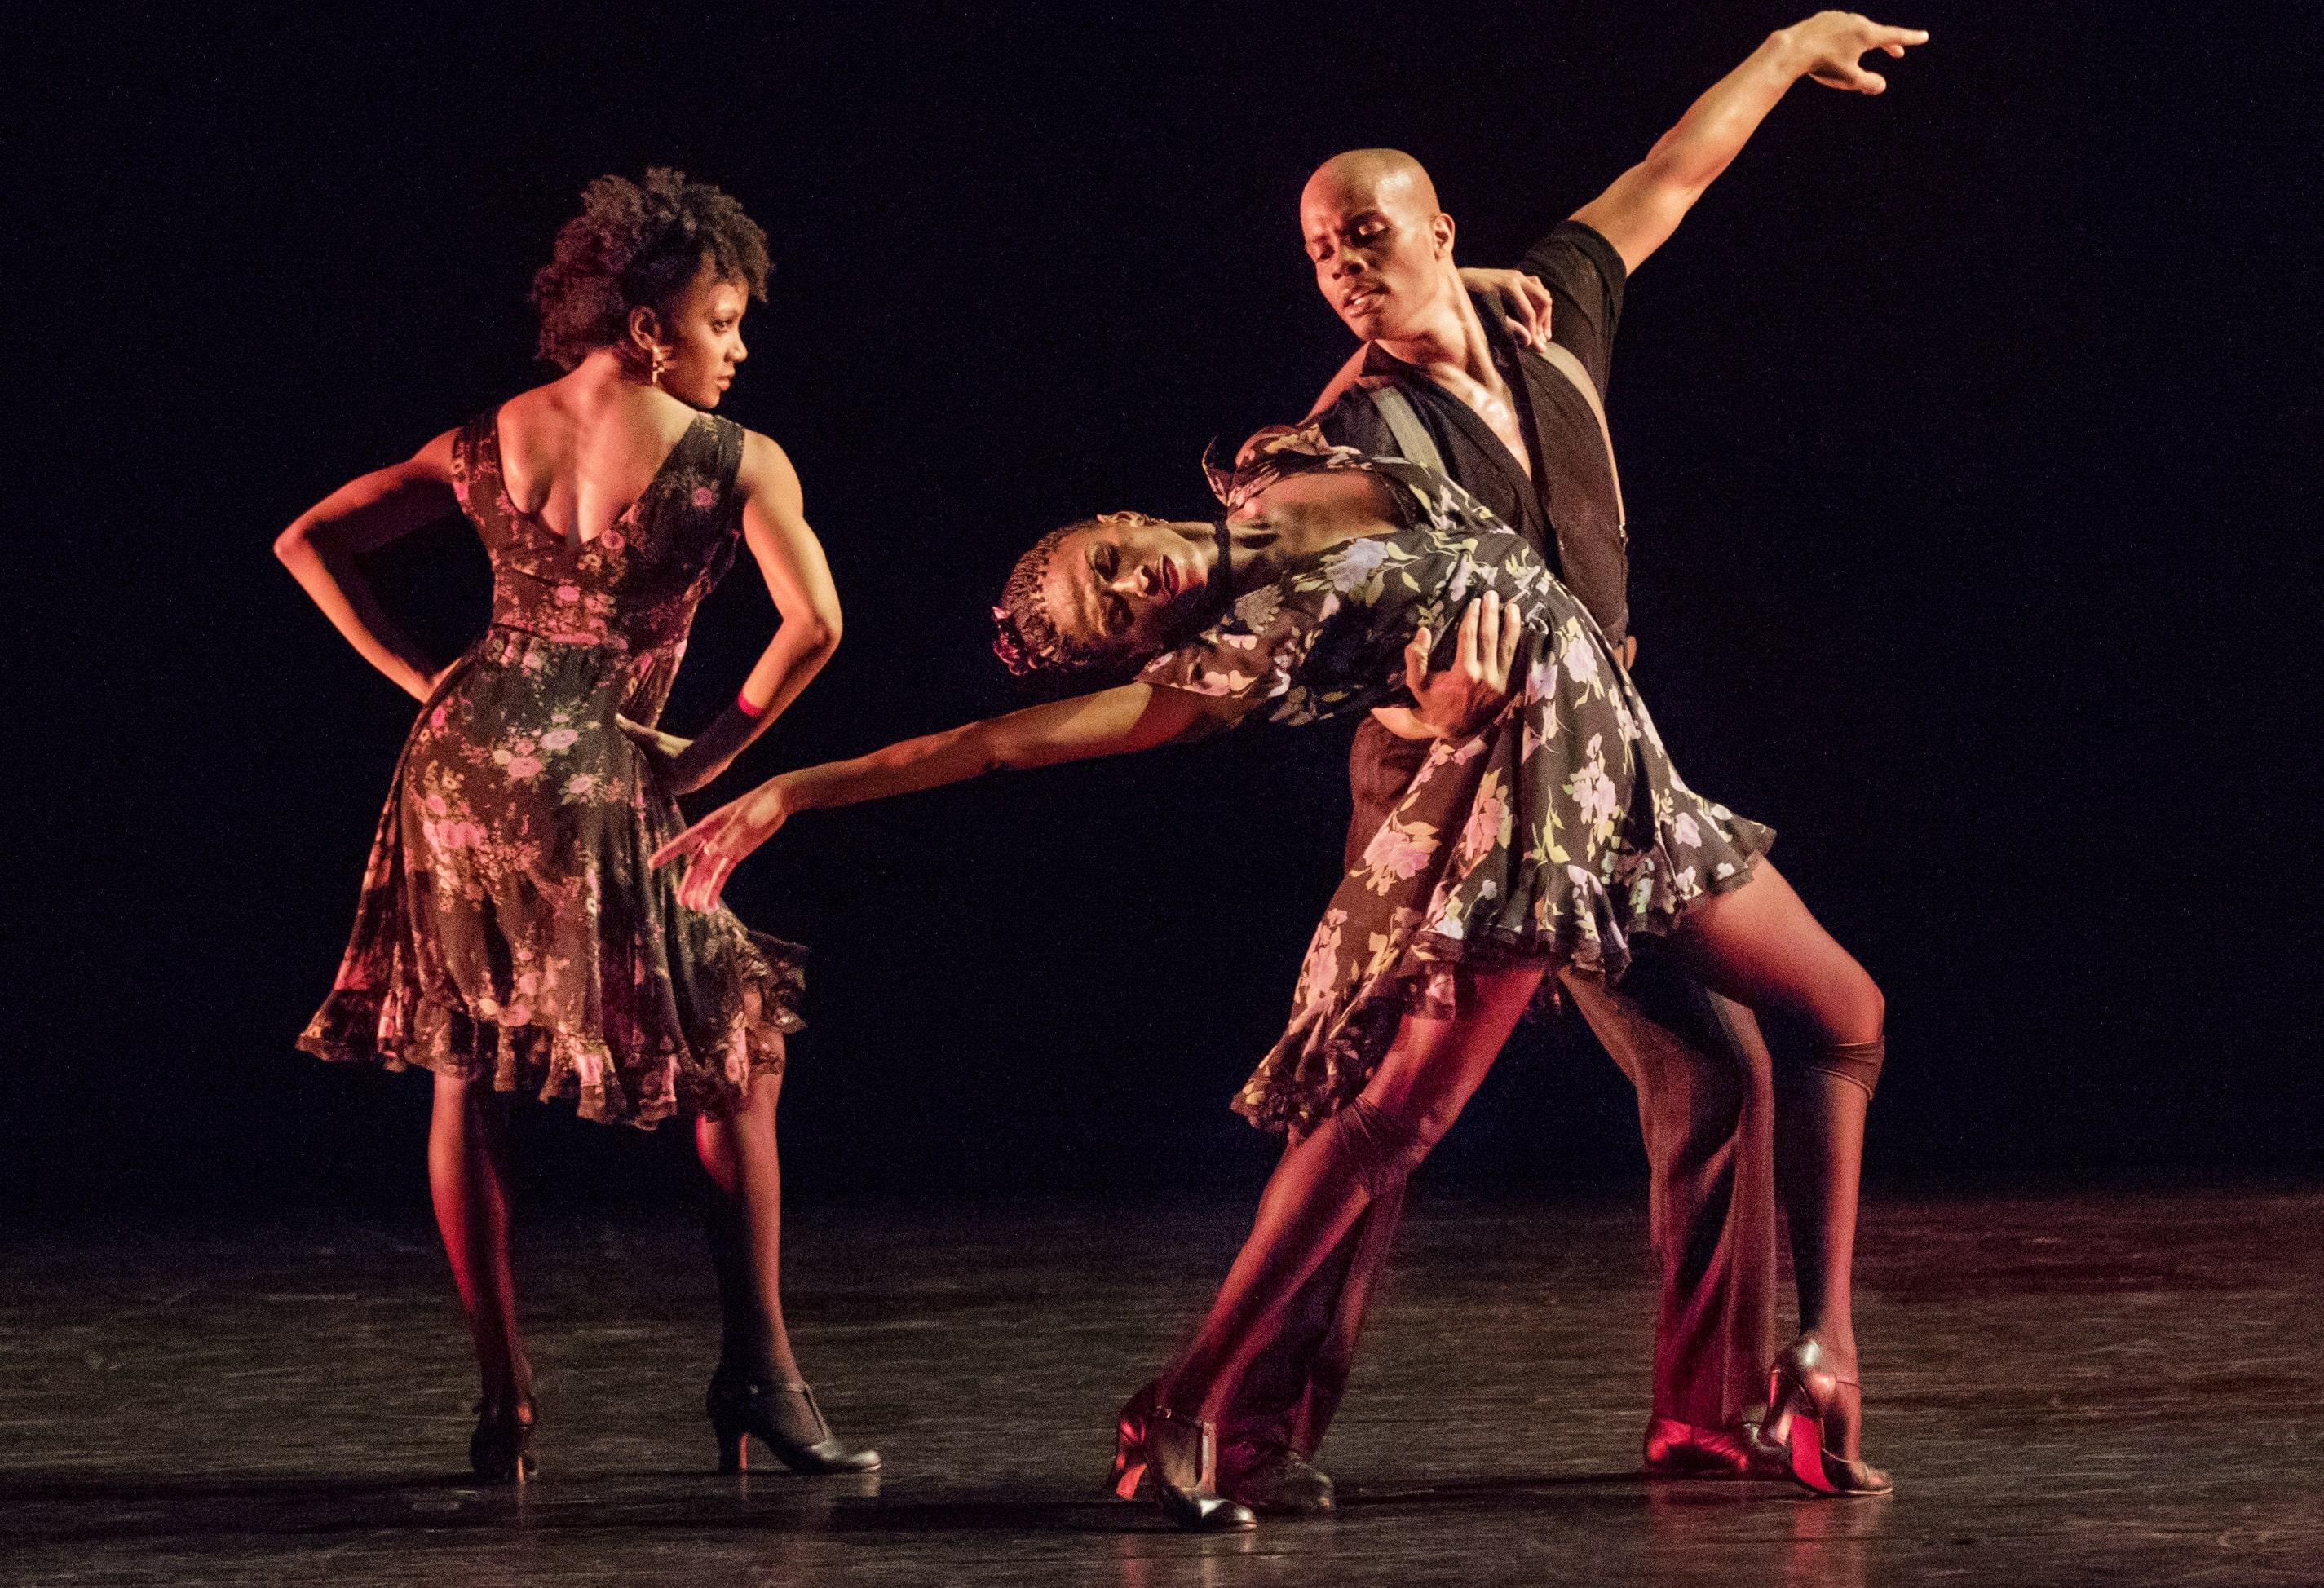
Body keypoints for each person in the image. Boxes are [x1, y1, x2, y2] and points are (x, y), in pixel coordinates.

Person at [655, 412, 1893, 1521]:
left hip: (1625, 788)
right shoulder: (1248, 646)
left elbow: (1404, 347)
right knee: (1390, 1119)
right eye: (1120, 616)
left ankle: (1820, 1355)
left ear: (1120, 517)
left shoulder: (1290, 463)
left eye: (1107, 565)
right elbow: (989, 745)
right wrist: (796, 790)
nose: (1133, 585)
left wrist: (1475, 291)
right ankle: (1178, 1405)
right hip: (1513, 816)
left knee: (1844, 1014)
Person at [1210, 7, 1930, 1506]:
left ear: (1441, 229)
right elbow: (1329, 642)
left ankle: (1706, 1414)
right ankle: (1244, 1423)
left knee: (1719, 1066)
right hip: (1446, 781)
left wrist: (1790, 51)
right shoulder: (1359, 437)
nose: (1343, 261)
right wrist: (1427, 723)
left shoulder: (1553, 314)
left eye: (1368, 233)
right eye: (1321, 249)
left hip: (1599, 777)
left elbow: (1671, 170)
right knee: (1385, 1107)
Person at [277, 169, 876, 1482]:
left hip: (461, 770)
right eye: (723, 318)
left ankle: (505, 1404)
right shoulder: (734, 458)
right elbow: (816, 625)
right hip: (604, 778)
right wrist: (711, 754)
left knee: (466, 1066)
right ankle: (761, 1372)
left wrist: (426, 679)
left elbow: (308, 539)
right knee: (733, 1055)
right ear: (650, 325)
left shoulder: (494, 434)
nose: (739, 345)